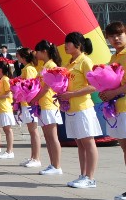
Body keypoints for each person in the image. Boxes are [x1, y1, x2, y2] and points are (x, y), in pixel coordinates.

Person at [57, 32, 101, 189]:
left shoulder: (85, 61)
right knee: (80, 144)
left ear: (78, 44)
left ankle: (90, 178)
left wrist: (72, 94)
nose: (65, 46)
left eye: (68, 42)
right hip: (71, 108)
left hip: (83, 108)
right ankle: (83, 175)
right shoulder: (68, 64)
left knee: (88, 142)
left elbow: (94, 85)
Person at [98, 22, 126, 200]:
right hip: (118, 109)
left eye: (119, 34)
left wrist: (113, 93)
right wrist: (104, 92)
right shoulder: (113, 58)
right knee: (124, 149)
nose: (115, 38)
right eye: (111, 36)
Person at [33, 40, 63, 176]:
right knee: (48, 136)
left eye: (37, 51)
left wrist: (34, 98)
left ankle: (57, 165)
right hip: (43, 104)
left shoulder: (51, 65)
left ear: (44, 52)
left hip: (50, 104)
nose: (36, 54)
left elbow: (46, 88)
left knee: (52, 136)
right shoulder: (44, 65)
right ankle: (52, 164)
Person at [16, 48, 42, 168]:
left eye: (18, 56)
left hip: (29, 104)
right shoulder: (26, 68)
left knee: (34, 131)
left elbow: (31, 86)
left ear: (23, 57)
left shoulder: (29, 69)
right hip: (25, 103)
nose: (17, 58)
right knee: (31, 132)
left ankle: (36, 158)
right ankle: (33, 157)